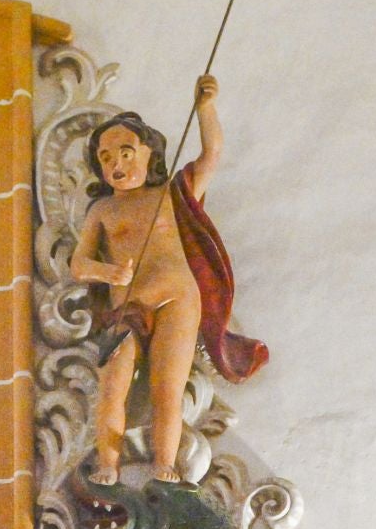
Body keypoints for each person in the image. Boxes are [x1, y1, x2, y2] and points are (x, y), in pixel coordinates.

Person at [68, 76, 267, 485]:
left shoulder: (173, 194)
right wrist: (108, 272)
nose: (116, 165)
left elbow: (211, 154)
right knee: (112, 386)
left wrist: (205, 108)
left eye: (126, 153)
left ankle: (164, 462)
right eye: (106, 159)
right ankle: (108, 463)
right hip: (128, 304)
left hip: (178, 297)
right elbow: (79, 264)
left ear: (150, 154)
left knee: (167, 387)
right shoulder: (103, 211)